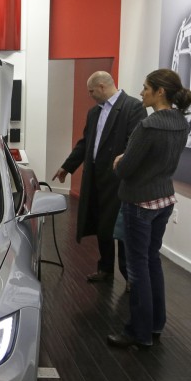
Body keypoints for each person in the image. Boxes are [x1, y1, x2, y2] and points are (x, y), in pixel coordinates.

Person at [107, 68, 191, 349]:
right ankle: (156, 324)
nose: (141, 92)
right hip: (164, 200)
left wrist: (120, 161)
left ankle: (138, 331)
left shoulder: (148, 126)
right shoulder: (182, 122)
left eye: (145, 87)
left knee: (137, 268)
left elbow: (127, 168)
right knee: (152, 261)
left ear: (160, 92)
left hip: (140, 202)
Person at [53, 71, 144, 285]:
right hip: (96, 177)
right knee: (102, 225)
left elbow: (136, 143)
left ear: (102, 86)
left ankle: (130, 277)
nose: (90, 95)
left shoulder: (133, 107)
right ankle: (105, 269)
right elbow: (86, 143)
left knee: (121, 229)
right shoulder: (94, 112)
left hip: (119, 179)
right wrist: (68, 166)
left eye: (91, 91)